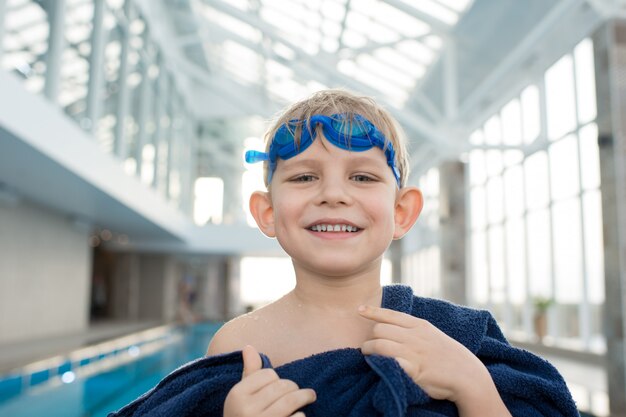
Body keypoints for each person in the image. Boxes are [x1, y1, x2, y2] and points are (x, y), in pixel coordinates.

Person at [204, 89, 578, 417]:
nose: (333, 194)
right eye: (305, 177)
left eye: (362, 177)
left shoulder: (455, 338)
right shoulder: (237, 344)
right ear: (267, 213)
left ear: (402, 212)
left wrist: (473, 385)